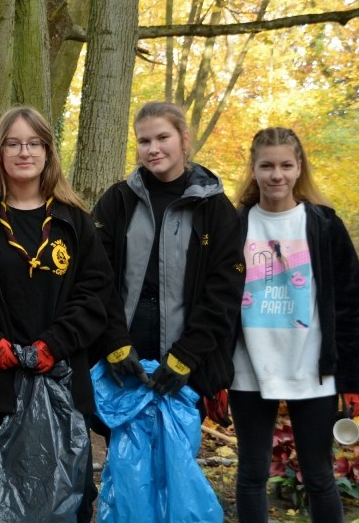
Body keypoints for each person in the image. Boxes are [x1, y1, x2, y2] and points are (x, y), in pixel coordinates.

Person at [0, 106, 132, 522]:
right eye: (14, 143)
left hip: (62, 382)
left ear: (48, 152)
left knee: (69, 499)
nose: (24, 152)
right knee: (0, 503)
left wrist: (53, 344)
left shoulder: (76, 222)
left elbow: (96, 294)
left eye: (34, 143)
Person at [229, 127, 359, 522]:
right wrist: (214, 372)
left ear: (299, 167)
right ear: (253, 170)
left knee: (319, 476)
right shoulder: (235, 226)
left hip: (312, 371)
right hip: (248, 370)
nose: (277, 175)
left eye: (286, 165)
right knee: (251, 474)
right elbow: (217, 302)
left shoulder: (324, 225)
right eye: (267, 166)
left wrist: (352, 379)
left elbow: (347, 305)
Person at [91, 101, 244, 425]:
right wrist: (114, 343)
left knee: (172, 457)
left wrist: (185, 357)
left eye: (163, 137)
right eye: (144, 141)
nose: (153, 149)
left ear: (184, 139)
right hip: (123, 356)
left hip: (188, 361)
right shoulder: (117, 201)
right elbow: (95, 278)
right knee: (123, 455)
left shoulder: (215, 209)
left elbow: (224, 293)